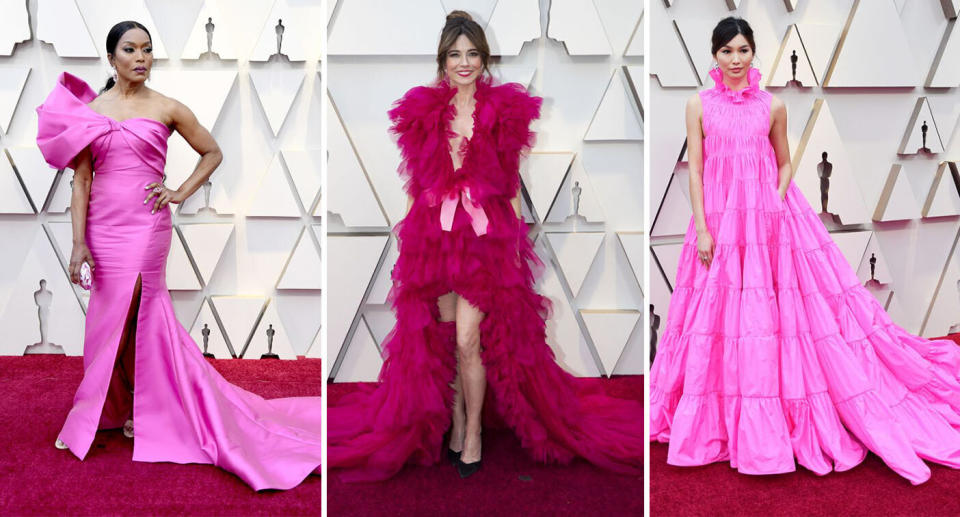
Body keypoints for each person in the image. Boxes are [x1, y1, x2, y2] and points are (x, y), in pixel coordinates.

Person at [327, 11, 643, 482]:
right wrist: (414, 237)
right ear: (443, 60)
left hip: (484, 240)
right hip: (434, 237)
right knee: (444, 341)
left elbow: (511, 182)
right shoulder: (422, 112)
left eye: (473, 54)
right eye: (456, 55)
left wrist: (513, 242)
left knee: (467, 339)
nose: (465, 63)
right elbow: (418, 182)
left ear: (484, 58)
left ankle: (473, 431)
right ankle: (453, 424)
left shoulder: (503, 111)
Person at [649, 16, 960, 485]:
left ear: (754, 54)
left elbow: (785, 160)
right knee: (718, 319)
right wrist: (705, 230)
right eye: (726, 51)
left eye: (743, 51)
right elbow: (694, 171)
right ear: (713, 56)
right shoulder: (697, 105)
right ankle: (722, 421)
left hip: (771, 221)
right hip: (719, 221)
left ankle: (778, 414)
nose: (735, 60)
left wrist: (775, 199)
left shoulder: (772, 106)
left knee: (774, 317)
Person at [35, 20, 321, 491]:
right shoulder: (90, 111)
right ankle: (117, 409)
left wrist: (178, 192)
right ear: (112, 58)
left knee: (140, 315)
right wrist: (78, 242)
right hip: (103, 230)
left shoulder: (167, 107)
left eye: (147, 49)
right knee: (108, 319)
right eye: (130, 49)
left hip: (147, 227)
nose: (141, 57)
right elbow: (81, 180)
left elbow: (212, 152)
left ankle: (149, 409)